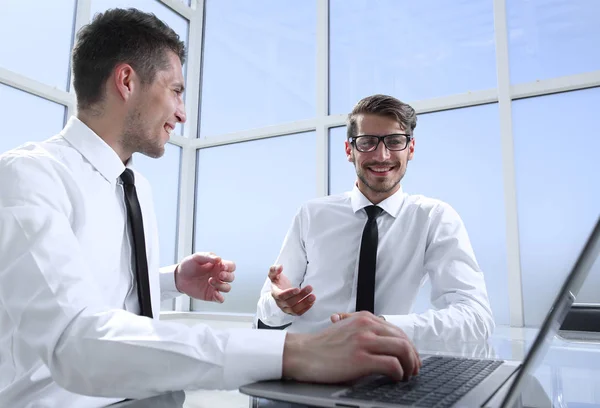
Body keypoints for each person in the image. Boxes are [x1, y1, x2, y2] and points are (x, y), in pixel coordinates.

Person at [0, 9, 421, 408]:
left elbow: (90, 281)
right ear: (127, 82)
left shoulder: (136, 186)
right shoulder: (28, 177)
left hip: (154, 395)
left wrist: (170, 280)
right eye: (176, 91)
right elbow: (74, 340)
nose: (182, 113)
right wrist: (296, 351)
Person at [256, 94, 495, 342]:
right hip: (304, 363)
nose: (381, 155)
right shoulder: (311, 215)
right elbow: (266, 314)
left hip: (384, 367)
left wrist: (383, 327)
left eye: (394, 141)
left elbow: (476, 319)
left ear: (410, 148)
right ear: (349, 150)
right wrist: (278, 306)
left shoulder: (433, 218)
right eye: (368, 142)